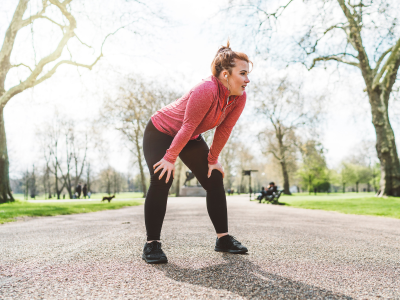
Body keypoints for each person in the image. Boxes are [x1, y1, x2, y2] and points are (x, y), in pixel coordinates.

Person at [142, 42, 251, 264]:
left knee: (214, 177)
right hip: (161, 131)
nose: (247, 80)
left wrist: (213, 160)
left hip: (189, 136)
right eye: (242, 73)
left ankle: (223, 239)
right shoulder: (206, 89)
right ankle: (152, 244)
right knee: (162, 177)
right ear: (225, 75)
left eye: (248, 74)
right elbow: (187, 126)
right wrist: (170, 158)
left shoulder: (239, 97)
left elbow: (224, 129)